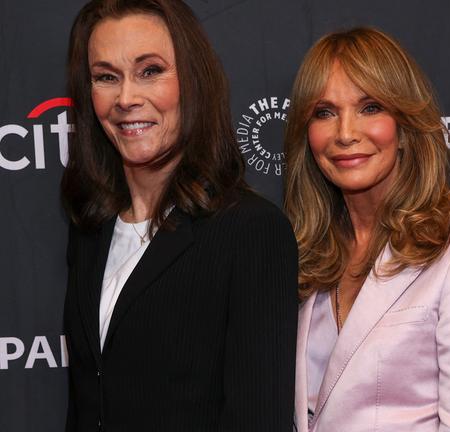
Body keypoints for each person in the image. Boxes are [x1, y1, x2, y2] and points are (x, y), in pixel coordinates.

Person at [61, 1, 297, 430]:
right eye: (106, 77)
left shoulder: (250, 230)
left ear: (193, 81)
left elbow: (259, 419)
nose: (126, 98)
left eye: (150, 70)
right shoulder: (91, 231)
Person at [284, 27, 450, 431]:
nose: (345, 133)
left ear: (406, 125)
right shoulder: (305, 257)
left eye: (370, 107)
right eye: (324, 112)